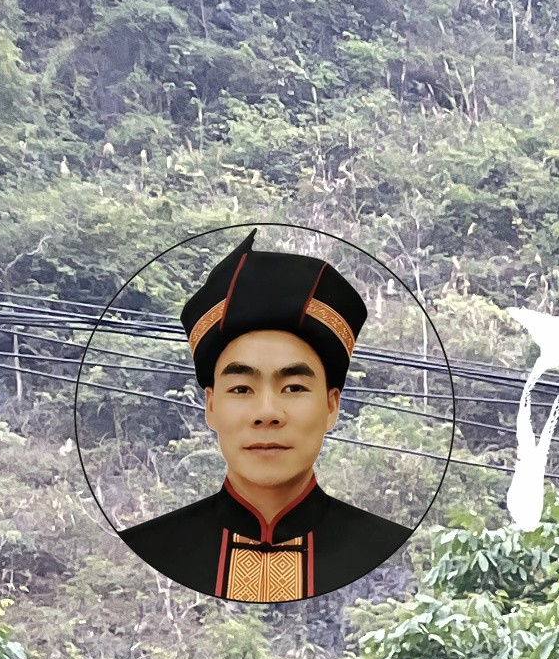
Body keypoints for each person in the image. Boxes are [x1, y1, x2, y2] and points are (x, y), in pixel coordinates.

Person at [117, 236, 413, 604]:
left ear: (331, 406)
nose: (267, 414)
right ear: (211, 406)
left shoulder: (390, 551)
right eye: (241, 389)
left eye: (293, 387)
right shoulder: (151, 547)